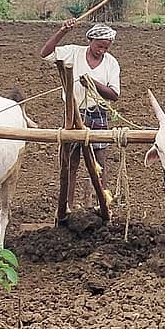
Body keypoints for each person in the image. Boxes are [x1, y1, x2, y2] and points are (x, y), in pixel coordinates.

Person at [40, 22, 120, 214]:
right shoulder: (74, 53)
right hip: (73, 113)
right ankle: (66, 205)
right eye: (99, 45)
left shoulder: (111, 63)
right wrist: (63, 31)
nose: (102, 50)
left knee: (99, 162)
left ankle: (103, 204)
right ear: (90, 40)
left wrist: (93, 83)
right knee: (71, 161)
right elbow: (45, 53)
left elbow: (114, 94)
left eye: (105, 47)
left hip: (98, 111)